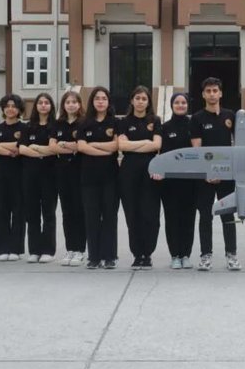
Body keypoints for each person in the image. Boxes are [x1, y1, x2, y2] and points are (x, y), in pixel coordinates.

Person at [190, 77, 239, 271]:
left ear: (220, 93)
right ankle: (206, 255)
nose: (212, 94)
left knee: (228, 214)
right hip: (206, 177)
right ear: (203, 94)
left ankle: (231, 255)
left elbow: (238, 145)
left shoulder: (231, 115)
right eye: (208, 91)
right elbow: (197, 149)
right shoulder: (197, 118)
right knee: (205, 216)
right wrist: (207, 172)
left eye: (215, 90)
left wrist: (227, 171)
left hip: (226, 175)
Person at [118, 86, 162, 270]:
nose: (140, 101)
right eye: (137, 98)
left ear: (148, 101)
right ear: (132, 100)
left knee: (150, 214)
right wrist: (145, 142)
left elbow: (156, 145)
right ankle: (137, 254)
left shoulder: (155, 120)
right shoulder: (124, 121)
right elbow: (122, 146)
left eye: (144, 99)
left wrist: (133, 144)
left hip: (150, 172)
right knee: (133, 214)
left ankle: (147, 253)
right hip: (128, 172)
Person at [151, 92, 197, 269]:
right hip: (169, 183)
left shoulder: (194, 126)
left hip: (190, 181)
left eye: (183, 102)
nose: (180, 105)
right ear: (171, 105)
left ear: (187, 105)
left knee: (188, 219)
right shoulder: (164, 128)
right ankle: (175, 255)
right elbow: (159, 154)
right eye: (177, 102)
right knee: (172, 219)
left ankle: (186, 255)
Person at [77, 87, 120, 269]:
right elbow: (81, 147)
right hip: (89, 178)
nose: (100, 101)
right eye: (97, 98)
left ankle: (110, 256)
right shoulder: (84, 123)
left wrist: (93, 145)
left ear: (108, 102)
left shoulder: (115, 122)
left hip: (110, 177)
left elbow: (116, 146)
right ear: (92, 102)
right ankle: (94, 257)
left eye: (104, 98)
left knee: (110, 216)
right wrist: (104, 150)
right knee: (92, 217)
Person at [19, 93, 58, 264]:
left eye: (46, 102)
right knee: (32, 213)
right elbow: (22, 149)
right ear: (35, 106)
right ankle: (34, 250)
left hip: (50, 175)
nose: (43, 105)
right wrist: (42, 152)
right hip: (30, 175)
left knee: (48, 213)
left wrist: (35, 148)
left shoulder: (56, 126)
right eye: (40, 102)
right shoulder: (28, 127)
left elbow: (54, 150)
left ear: (51, 106)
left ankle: (48, 250)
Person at [50, 91, 86, 266]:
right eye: (67, 102)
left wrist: (62, 144)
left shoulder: (84, 123)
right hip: (62, 171)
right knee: (67, 211)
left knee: (79, 210)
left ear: (79, 104)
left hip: (80, 170)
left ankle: (80, 250)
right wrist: (69, 146)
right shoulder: (57, 124)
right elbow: (52, 147)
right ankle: (70, 249)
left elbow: (81, 146)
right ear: (63, 105)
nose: (71, 105)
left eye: (74, 102)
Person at [0, 94, 26, 261]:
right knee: (0, 211)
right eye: (7, 106)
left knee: (18, 211)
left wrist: (0, 146)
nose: (10, 109)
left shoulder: (24, 127)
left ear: (19, 109)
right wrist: (10, 151)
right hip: (0, 174)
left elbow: (21, 146)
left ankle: (16, 249)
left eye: (14, 106)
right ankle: (2, 248)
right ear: (3, 108)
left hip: (19, 174)